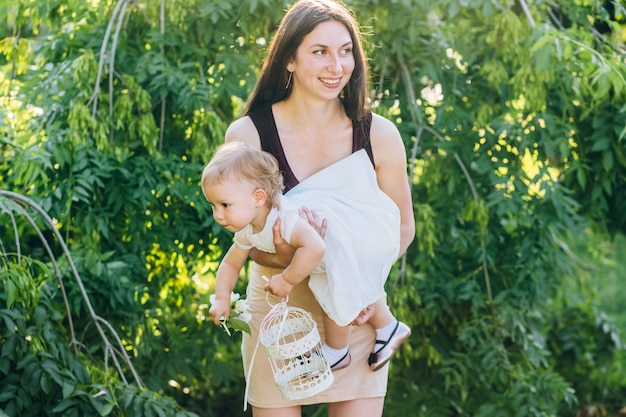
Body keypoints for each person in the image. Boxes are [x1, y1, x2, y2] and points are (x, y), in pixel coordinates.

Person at [221, 0, 415, 415]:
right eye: (320, 52)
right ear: (289, 59)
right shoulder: (249, 134)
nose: (336, 65)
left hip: (356, 315)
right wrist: (289, 255)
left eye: (345, 51)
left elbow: (401, 230)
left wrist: (362, 283)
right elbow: (239, 233)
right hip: (280, 316)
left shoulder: (378, 134)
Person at [203, 141, 410, 373]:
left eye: (224, 205)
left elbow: (316, 247)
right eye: (213, 205)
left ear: (258, 198)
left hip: (342, 242)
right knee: (333, 284)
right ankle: (388, 328)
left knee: (334, 288)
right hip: (331, 253)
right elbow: (231, 264)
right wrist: (222, 298)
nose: (218, 215)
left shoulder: (285, 219)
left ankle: (338, 350)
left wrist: (287, 280)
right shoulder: (247, 229)